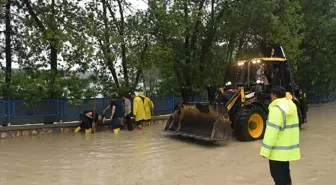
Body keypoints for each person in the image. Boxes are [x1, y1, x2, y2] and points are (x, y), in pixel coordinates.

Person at [260, 86, 301, 185]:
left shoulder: (276, 109)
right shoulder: (292, 106)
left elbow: (272, 133)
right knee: (286, 175)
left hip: (277, 152)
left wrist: (265, 151)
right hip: (286, 151)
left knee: (278, 177)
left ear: (274, 96)